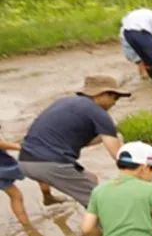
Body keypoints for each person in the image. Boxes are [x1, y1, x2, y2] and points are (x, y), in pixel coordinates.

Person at [18, 76, 129, 208]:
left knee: (90, 179)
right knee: (100, 201)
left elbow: (77, 140)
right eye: (115, 97)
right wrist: (138, 174)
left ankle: (48, 198)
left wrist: (109, 134)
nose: (115, 102)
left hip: (25, 160)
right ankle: (105, 227)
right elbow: (117, 155)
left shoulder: (64, 102)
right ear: (102, 94)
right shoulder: (99, 113)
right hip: (50, 164)